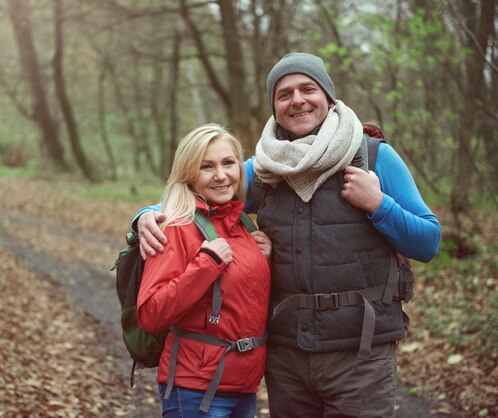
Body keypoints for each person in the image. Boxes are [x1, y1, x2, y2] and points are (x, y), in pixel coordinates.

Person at [133, 53, 441, 418]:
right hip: (288, 356)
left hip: (360, 352)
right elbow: (201, 190)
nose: (297, 100)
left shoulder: (374, 158)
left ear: (328, 97)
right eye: (284, 94)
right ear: (275, 107)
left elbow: (428, 242)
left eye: (308, 89)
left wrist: (378, 204)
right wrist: (145, 216)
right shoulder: (265, 167)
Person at [137, 123, 272, 417]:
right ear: (188, 173)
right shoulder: (175, 226)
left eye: (228, 163)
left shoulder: (243, 226)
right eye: (206, 167)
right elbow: (150, 313)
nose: (221, 175)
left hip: (245, 388)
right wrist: (205, 265)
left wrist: (264, 258)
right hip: (194, 389)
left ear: (241, 167)